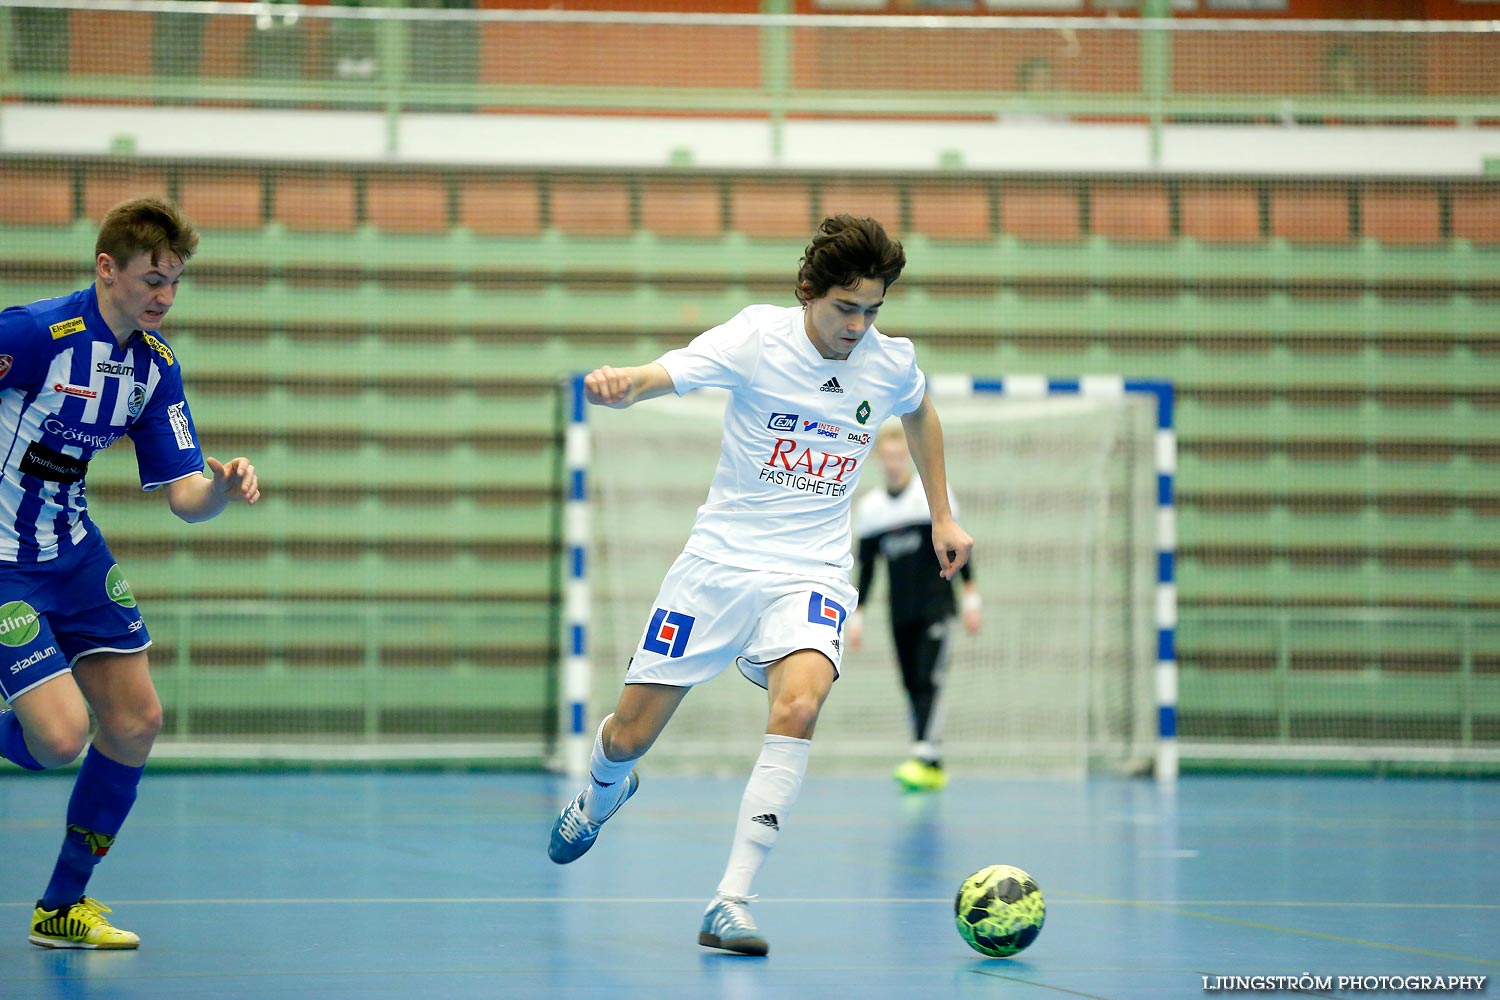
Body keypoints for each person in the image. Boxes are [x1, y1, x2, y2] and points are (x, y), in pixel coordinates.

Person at [547, 214, 972, 957]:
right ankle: (604, 788)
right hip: (718, 565)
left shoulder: (888, 360)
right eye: (846, 308)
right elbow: (669, 371)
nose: (859, 325)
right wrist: (626, 386)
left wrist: (943, 514)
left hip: (812, 570)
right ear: (810, 293)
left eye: (873, 309)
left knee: (802, 704)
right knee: (630, 735)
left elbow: (920, 411)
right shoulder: (756, 339)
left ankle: (730, 901)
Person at [0, 197, 260, 949]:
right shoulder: (35, 334)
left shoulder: (154, 368)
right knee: (58, 740)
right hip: (4, 563)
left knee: (139, 721)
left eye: (175, 282)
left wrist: (222, 487)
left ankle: (61, 907)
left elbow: (184, 498)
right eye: (152, 279)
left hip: (75, 555)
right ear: (106, 269)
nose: (164, 297)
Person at [847, 423, 981, 793]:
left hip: (936, 607)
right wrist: (856, 615)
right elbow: (868, 567)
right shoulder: (871, 510)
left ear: (905, 456)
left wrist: (971, 597)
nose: (893, 463)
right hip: (900, 612)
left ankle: (924, 756)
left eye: (898, 455)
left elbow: (959, 547)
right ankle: (930, 761)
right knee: (910, 682)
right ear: (880, 459)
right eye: (886, 456)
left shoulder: (931, 499)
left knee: (929, 679)